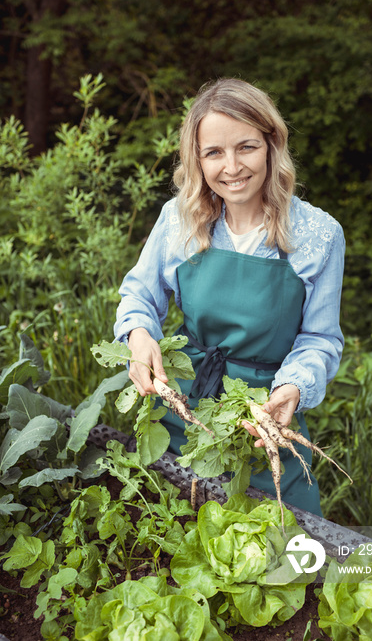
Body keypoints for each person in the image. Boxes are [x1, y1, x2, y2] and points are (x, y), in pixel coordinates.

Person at [114, 77, 345, 517]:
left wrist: (293, 386)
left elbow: (320, 339)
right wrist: (139, 336)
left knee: (281, 544)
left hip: (263, 418)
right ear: (197, 159)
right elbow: (140, 295)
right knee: (166, 530)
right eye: (214, 152)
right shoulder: (179, 219)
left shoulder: (318, 235)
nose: (232, 166)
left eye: (246, 147)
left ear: (271, 145)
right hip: (181, 404)